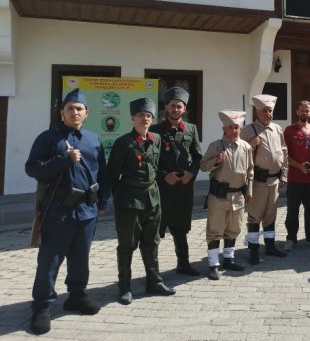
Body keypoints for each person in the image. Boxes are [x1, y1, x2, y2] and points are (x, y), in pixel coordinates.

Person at [25, 89, 111, 335]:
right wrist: (63, 159)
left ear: (87, 113)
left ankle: (76, 295)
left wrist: (103, 200)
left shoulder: (93, 139)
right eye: (70, 108)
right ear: (61, 112)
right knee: (50, 260)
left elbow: (102, 172)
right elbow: (32, 168)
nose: (75, 112)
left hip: (87, 210)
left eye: (79, 108)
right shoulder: (48, 138)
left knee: (81, 257)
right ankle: (42, 305)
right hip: (58, 210)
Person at [108, 97, 175, 305]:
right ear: (132, 118)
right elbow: (112, 174)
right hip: (129, 200)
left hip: (152, 198)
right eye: (140, 115)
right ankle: (124, 287)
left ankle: (154, 281)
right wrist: (119, 198)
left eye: (148, 115)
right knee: (127, 244)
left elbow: (156, 166)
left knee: (152, 241)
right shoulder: (123, 143)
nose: (145, 119)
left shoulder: (156, 139)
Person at [150, 87, 202, 276]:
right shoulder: (155, 130)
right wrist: (164, 175)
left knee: (181, 228)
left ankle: (183, 264)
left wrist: (191, 174)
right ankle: (153, 271)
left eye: (179, 106)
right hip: (163, 188)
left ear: (184, 109)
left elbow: (197, 156)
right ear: (166, 107)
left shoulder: (191, 129)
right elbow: (150, 160)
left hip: (184, 187)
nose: (175, 109)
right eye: (172, 106)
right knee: (156, 230)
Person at [200, 110, 253, 279]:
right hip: (219, 195)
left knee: (234, 228)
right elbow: (203, 166)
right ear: (224, 129)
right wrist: (216, 160)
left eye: (236, 127)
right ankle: (213, 264)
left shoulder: (246, 147)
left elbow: (250, 171)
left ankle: (229, 259)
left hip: (238, 196)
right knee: (215, 230)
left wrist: (249, 190)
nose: (234, 130)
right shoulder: (216, 146)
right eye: (230, 127)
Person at [240, 94, 289, 264]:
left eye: (270, 110)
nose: (268, 114)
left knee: (270, 215)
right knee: (254, 216)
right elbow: (238, 154)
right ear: (257, 112)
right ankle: (253, 250)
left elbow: (284, 151)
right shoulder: (248, 130)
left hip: (274, 181)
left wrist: (284, 173)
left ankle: (270, 246)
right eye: (264, 111)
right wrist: (250, 145)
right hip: (258, 181)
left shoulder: (277, 128)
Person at [283, 100, 310, 251]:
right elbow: (284, 155)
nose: (304, 113)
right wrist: (299, 166)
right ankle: (291, 239)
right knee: (292, 210)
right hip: (295, 178)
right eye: (302, 110)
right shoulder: (289, 130)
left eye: (307, 110)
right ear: (297, 111)